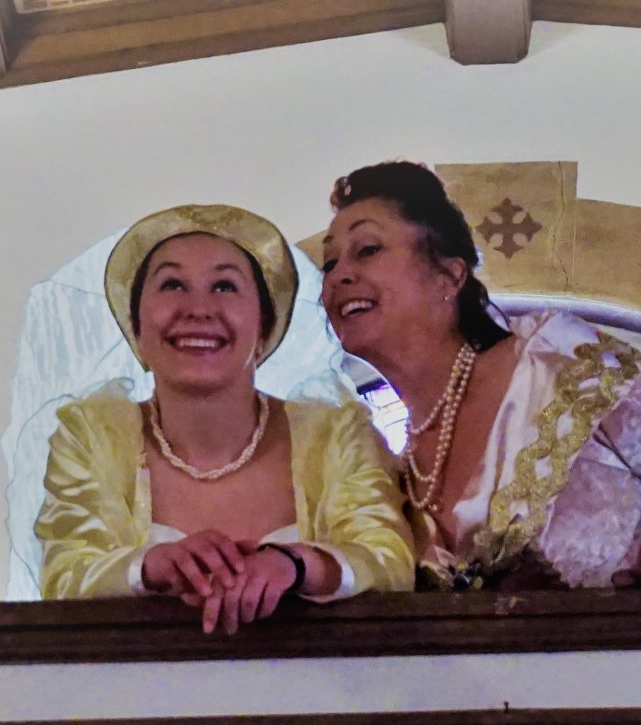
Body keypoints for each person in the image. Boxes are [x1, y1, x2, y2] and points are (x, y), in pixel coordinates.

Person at [320, 162, 641, 591]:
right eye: (329, 263)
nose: (339, 275)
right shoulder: (393, 473)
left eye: (368, 249)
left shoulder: (556, 362)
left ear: (449, 276)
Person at [37, 204, 413, 630]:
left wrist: (296, 565)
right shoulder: (90, 436)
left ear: (265, 327)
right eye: (172, 284)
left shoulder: (336, 434)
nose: (198, 309)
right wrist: (148, 567)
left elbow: (389, 561)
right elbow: (64, 577)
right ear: (136, 326)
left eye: (224, 286)